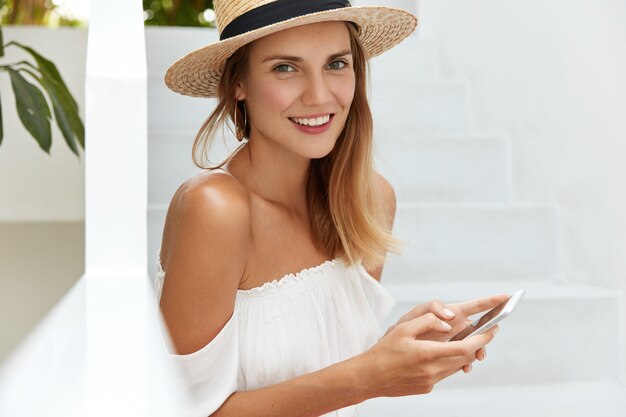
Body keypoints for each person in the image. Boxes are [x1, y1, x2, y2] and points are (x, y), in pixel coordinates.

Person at [155, 1, 508, 416]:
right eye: (285, 68)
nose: (319, 95)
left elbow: (328, 372)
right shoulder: (215, 209)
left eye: (336, 64)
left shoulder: (369, 201)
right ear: (239, 83)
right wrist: (369, 375)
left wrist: (399, 350)